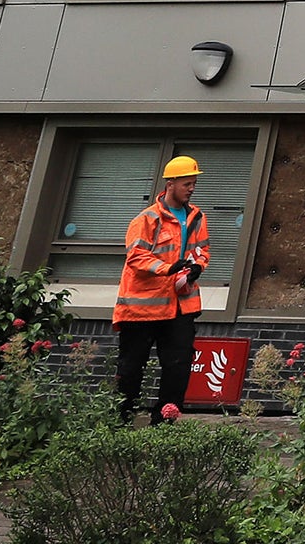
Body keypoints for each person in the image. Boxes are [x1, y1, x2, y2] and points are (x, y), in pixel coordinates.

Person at [114, 154, 209, 423]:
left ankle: (164, 424)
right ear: (171, 183)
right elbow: (136, 257)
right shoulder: (146, 220)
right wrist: (168, 268)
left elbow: (203, 250)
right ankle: (121, 421)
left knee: (178, 368)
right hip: (142, 308)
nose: (191, 188)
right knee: (131, 370)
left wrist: (197, 267)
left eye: (193, 184)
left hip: (180, 305)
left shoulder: (197, 217)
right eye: (186, 184)